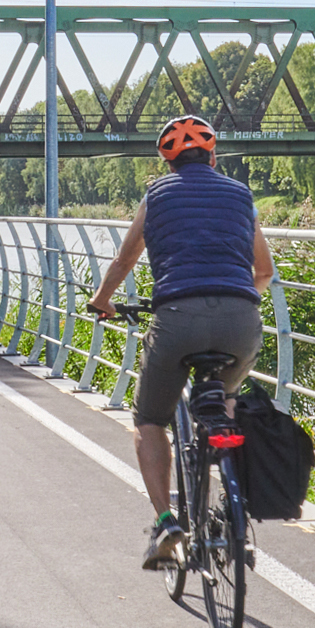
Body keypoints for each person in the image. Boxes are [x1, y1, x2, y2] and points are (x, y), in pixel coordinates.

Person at [86, 114, 276, 569]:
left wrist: (102, 300)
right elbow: (264, 271)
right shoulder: (240, 194)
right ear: (213, 155)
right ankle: (233, 509)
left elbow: (125, 257)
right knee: (224, 402)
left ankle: (167, 522)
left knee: (150, 419)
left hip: (177, 319)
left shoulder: (157, 195)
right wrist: (237, 298)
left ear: (167, 162)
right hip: (241, 319)